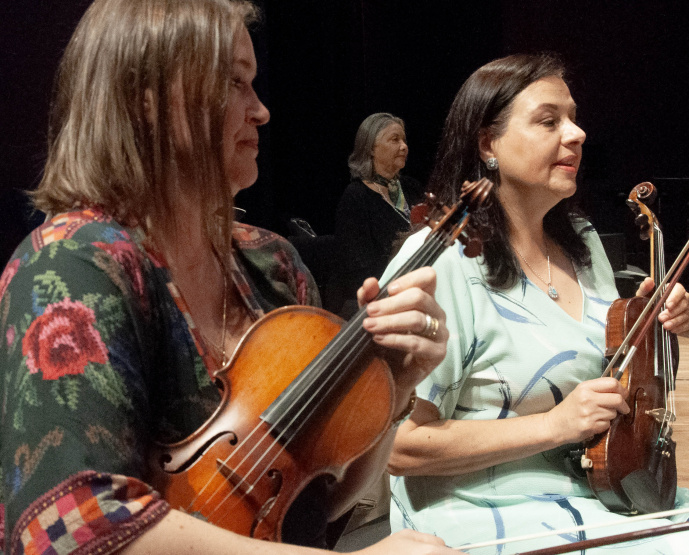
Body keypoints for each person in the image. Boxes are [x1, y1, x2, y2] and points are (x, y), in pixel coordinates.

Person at [0, 1, 460, 554]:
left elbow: (310, 509)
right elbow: (69, 530)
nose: (261, 110)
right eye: (234, 83)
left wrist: (397, 384)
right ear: (147, 98)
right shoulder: (71, 263)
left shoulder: (275, 265)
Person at [381, 54, 689, 554]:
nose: (576, 134)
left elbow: (607, 371)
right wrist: (553, 426)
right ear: (488, 142)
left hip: (603, 488)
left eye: (573, 118)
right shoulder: (440, 262)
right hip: (487, 510)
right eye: (549, 121)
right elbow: (399, 447)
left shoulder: (580, 240)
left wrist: (649, 325)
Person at [333, 114, 425, 318]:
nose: (404, 146)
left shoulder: (411, 187)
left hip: (417, 290)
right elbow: (358, 271)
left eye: (404, 140)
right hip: (377, 302)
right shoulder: (356, 197)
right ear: (371, 148)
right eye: (394, 140)